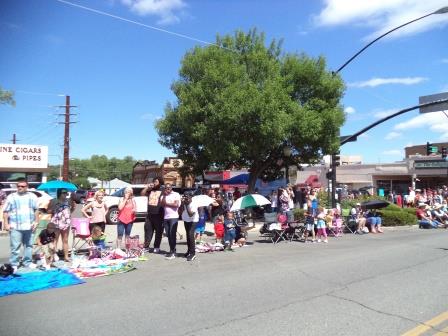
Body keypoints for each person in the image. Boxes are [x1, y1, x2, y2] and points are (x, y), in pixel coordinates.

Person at [2, 180, 39, 271]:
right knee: (15, 247)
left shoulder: (32, 196)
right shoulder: (11, 197)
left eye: (22, 186)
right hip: (15, 226)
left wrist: (36, 221)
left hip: (29, 226)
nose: (20, 187)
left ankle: (28, 262)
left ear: (27, 187)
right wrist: (6, 224)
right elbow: (5, 211)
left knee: (29, 246)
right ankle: (14, 263)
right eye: (18, 186)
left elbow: (36, 210)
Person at [49, 188, 75, 262]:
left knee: (65, 240)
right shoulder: (54, 201)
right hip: (56, 222)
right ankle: (52, 257)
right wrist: (54, 207)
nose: (65, 194)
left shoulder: (69, 201)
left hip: (65, 222)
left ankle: (66, 257)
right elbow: (49, 210)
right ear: (59, 193)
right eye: (64, 193)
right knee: (55, 240)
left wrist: (68, 214)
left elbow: (72, 209)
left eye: (66, 192)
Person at [141, 178, 164, 252]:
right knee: (148, 230)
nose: (154, 183)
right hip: (149, 214)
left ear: (160, 182)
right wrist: (147, 187)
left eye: (156, 181)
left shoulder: (163, 190)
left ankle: (156, 247)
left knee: (158, 232)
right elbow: (142, 194)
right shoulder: (150, 190)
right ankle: (146, 246)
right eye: (154, 181)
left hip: (159, 214)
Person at [160, 183, 181, 260]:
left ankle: (173, 251)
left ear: (171, 188)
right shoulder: (163, 196)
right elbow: (162, 204)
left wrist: (167, 204)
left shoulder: (176, 194)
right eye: (166, 188)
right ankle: (172, 250)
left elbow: (176, 205)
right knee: (168, 235)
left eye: (169, 188)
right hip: (166, 217)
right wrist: (165, 197)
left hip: (174, 217)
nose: (167, 189)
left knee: (172, 234)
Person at [181, 192, 199, 261]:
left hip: (193, 220)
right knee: (188, 236)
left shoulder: (194, 204)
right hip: (186, 220)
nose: (186, 198)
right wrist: (183, 204)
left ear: (191, 197)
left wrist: (187, 205)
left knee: (191, 235)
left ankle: (193, 254)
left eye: (187, 197)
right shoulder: (185, 202)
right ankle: (189, 251)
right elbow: (182, 210)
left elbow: (190, 214)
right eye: (185, 196)